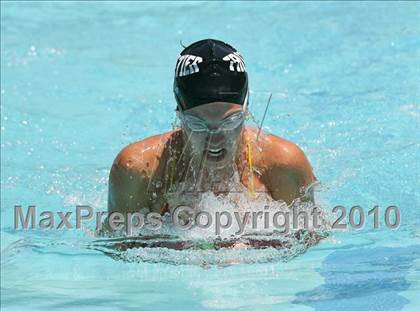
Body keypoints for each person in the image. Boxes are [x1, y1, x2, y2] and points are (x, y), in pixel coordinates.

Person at [108, 39, 316, 216]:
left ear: (246, 110)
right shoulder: (137, 169)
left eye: (230, 122)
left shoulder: (284, 165)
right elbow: (116, 248)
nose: (215, 138)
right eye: (198, 125)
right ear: (179, 114)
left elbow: (310, 241)